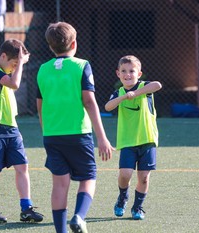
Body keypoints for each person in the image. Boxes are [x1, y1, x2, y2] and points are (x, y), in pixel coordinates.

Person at [36, 22, 114, 233]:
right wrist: (102, 138)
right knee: (89, 177)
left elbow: (39, 105)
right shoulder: (82, 65)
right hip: (78, 133)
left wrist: (46, 131)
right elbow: (89, 101)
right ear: (74, 43)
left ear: (50, 46)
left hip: (52, 135)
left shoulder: (42, 69)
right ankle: (79, 217)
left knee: (59, 184)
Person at [0, 39, 44, 223]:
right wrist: (21, 62)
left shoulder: (4, 72)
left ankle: (26, 208)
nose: (15, 68)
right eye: (14, 63)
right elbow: (15, 84)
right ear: (3, 56)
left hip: (11, 127)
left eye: (17, 64)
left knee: (22, 166)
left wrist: (19, 61)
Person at [105, 55, 162, 220]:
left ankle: (137, 208)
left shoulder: (145, 88)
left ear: (139, 73)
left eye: (132, 71)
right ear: (118, 74)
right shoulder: (118, 93)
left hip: (147, 140)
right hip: (128, 142)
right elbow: (108, 107)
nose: (127, 74)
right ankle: (122, 198)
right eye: (124, 71)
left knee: (143, 178)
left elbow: (157, 85)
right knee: (125, 174)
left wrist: (135, 93)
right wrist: (124, 96)